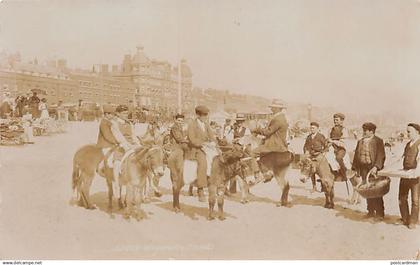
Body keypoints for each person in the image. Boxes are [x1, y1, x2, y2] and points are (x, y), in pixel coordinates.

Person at [352, 122, 386, 221]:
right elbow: (356, 155)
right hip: (363, 169)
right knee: (367, 191)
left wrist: (376, 167)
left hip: (373, 169)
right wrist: (355, 168)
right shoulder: (360, 141)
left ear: (371, 131)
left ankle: (380, 213)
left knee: (376, 191)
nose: (363, 132)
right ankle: (370, 212)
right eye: (363, 130)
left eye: (365, 130)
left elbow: (381, 155)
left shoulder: (378, 141)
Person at [252, 99, 289, 182]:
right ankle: (267, 171)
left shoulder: (278, 119)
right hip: (279, 145)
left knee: (252, 153)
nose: (271, 109)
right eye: (272, 107)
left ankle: (258, 174)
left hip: (274, 145)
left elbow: (267, 132)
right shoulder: (281, 118)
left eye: (273, 108)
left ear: (278, 109)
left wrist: (256, 129)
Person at [187, 105, 217, 202]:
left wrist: (213, 142)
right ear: (198, 115)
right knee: (203, 164)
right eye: (204, 115)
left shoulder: (206, 124)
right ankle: (200, 189)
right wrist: (203, 144)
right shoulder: (192, 124)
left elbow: (211, 136)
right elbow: (192, 139)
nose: (206, 116)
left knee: (219, 158)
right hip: (197, 149)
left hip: (207, 147)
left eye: (206, 115)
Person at [397, 123, 420, 229]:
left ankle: (413, 221)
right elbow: (401, 158)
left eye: (409, 132)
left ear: (417, 132)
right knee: (402, 197)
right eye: (407, 131)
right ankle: (405, 218)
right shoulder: (407, 144)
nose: (407, 134)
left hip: (416, 176)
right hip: (405, 174)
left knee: (415, 199)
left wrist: (416, 172)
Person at [168, 113, 189, 211]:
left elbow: (184, 138)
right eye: (179, 120)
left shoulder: (181, 128)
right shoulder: (174, 128)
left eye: (181, 121)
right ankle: (175, 204)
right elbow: (179, 139)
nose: (180, 122)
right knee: (177, 177)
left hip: (182, 147)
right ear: (175, 120)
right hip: (176, 149)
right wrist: (188, 141)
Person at [303, 121, 327, 192]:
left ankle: (323, 186)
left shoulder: (321, 136)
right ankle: (314, 187)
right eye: (311, 128)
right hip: (311, 155)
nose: (312, 129)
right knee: (311, 170)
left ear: (317, 128)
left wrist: (323, 152)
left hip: (319, 155)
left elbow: (326, 145)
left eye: (313, 128)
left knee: (321, 170)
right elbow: (305, 146)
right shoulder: (308, 137)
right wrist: (306, 152)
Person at [328, 113, 350, 180]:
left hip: (340, 149)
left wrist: (333, 141)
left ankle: (343, 174)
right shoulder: (331, 129)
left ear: (341, 121)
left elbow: (343, 143)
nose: (335, 121)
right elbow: (328, 138)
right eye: (334, 120)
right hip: (331, 147)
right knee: (324, 157)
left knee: (338, 158)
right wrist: (328, 142)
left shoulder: (344, 130)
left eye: (337, 120)